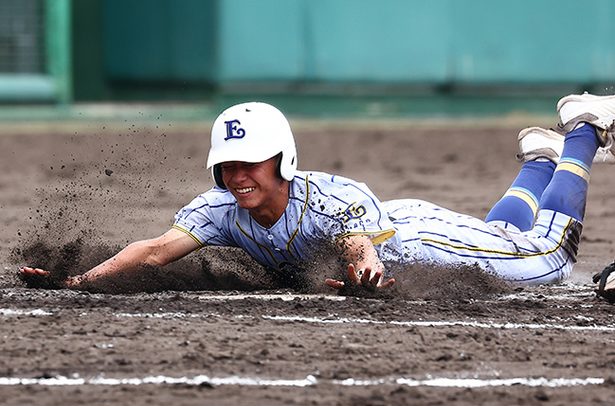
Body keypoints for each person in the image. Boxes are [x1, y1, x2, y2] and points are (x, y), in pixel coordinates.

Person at [19, 94, 615, 299]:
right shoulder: (220, 210)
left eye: (249, 163)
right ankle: (541, 158)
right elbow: (153, 251)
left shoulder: (336, 198)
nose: (237, 177)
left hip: (416, 239)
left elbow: (361, 249)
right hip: (409, 233)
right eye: (226, 166)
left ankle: (583, 127)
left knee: (548, 257)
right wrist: (79, 280)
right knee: (508, 240)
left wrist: (363, 276)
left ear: (282, 160)